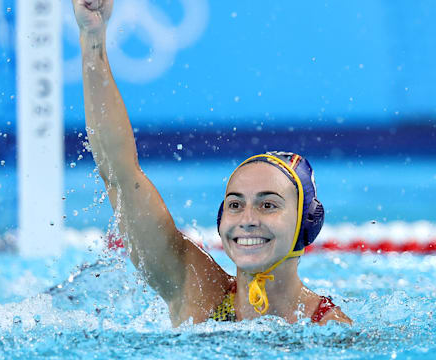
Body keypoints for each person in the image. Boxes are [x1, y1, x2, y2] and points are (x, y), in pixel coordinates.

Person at [71, 0, 352, 326]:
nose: (246, 220)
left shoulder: (329, 328)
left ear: (307, 225)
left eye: (268, 205)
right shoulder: (195, 289)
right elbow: (119, 174)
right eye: (235, 205)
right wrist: (93, 41)